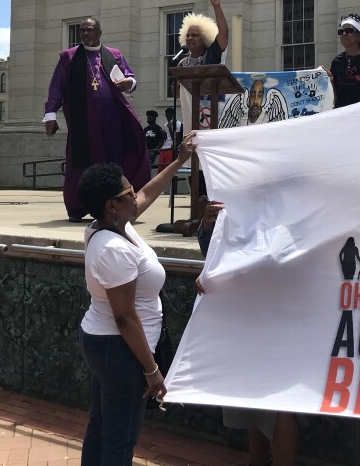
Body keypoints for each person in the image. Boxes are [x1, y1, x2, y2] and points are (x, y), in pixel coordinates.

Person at [77, 133, 194, 465]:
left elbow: (145, 194)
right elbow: (125, 317)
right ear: (112, 205)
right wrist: (151, 369)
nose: (135, 195)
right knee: (119, 439)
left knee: (102, 428)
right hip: (120, 350)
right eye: (127, 193)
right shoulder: (112, 248)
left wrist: (179, 160)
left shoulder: (113, 226)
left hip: (108, 345)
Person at [196, 200, 300, 466]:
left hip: (279, 318)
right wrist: (209, 226)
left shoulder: (294, 208)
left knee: (279, 406)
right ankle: (258, 460)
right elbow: (215, 253)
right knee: (251, 394)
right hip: (243, 318)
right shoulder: (238, 203)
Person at [43, 17, 150, 222]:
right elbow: (57, 87)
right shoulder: (70, 57)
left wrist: (130, 82)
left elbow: (129, 76)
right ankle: (78, 206)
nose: (85, 34)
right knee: (83, 162)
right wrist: (50, 114)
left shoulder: (113, 54)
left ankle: (116, 205)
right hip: (85, 120)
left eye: (89, 30)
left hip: (113, 118)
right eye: (82, 30)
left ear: (99, 32)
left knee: (113, 160)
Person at [177, 0, 230, 68]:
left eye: (194, 35)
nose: (189, 38)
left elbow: (223, 33)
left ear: (204, 38)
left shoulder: (212, 56)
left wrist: (216, 6)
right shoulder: (182, 64)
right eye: (187, 35)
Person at [156, 107, 183, 171]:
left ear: (173, 115)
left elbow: (176, 138)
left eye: (169, 116)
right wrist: (163, 133)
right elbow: (166, 137)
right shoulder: (165, 125)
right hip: (164, 147)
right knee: (160, 169)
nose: (167, 118)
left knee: (167, 169)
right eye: (166, 116)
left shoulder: (178, 124)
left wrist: (170, 128)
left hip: (170, 148)